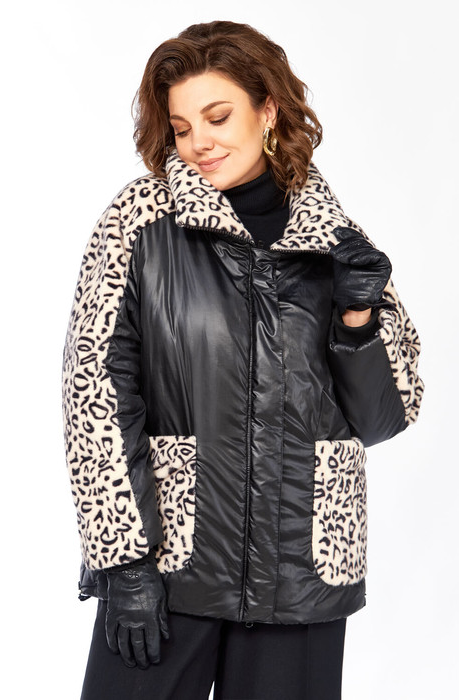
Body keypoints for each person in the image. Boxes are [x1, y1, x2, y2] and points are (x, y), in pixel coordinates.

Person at [62, 20, 424, 700]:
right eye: (181, 126)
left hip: (301, 571)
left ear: (269, 110)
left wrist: (356, 318)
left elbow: (385, 417)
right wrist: (124, 560)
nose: (198, 141)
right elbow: (95, 394)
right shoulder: (139, 225)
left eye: (218, 116)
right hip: (172, 562)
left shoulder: (338, 239)